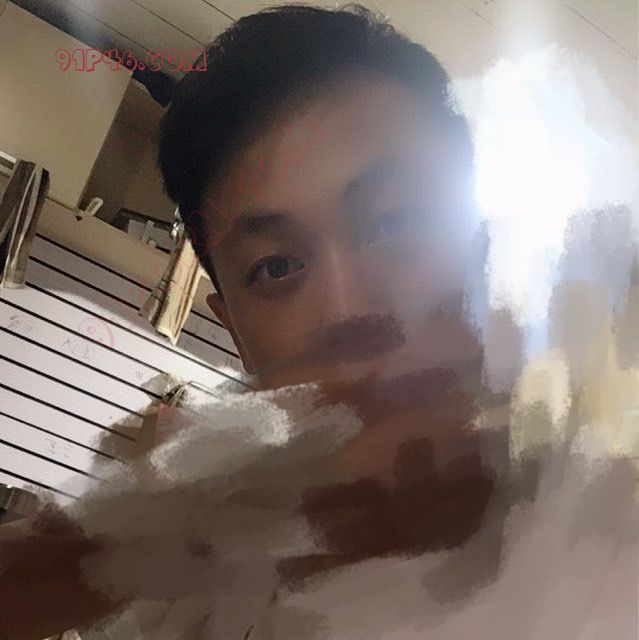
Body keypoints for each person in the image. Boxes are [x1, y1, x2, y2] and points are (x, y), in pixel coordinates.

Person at [1, 5, 636, 639]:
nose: (349, 308)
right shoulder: (202, 580)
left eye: (394, 222)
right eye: (276, 268)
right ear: (238, 336)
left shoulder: (606, 529)